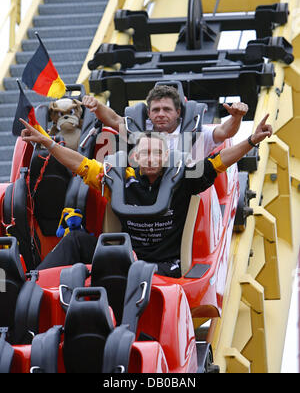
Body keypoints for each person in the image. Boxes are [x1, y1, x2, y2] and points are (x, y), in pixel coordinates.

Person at [19, 113, 272, 277]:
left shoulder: (183, 177)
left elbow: (219, 161)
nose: (151, 158)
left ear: (166, 157)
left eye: (157, 153)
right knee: (75, 241)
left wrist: (251, 140)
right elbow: (80, 164)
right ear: (135, 157)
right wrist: (50, 144)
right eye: (145, 153)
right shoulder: (120, 177)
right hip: (125, 255)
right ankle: (34, 282)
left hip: (164, 264)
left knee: (137, 272)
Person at [82, 84, 249, 159]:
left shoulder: (195, 131)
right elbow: (113, 119)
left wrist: (237, 116)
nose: (161, 114)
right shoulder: (139, 128)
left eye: (167, 109)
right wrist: (97, 106)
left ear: (178, 112)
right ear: (148, 113)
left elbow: (225, 132)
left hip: (187, 197)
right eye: (156, 110)